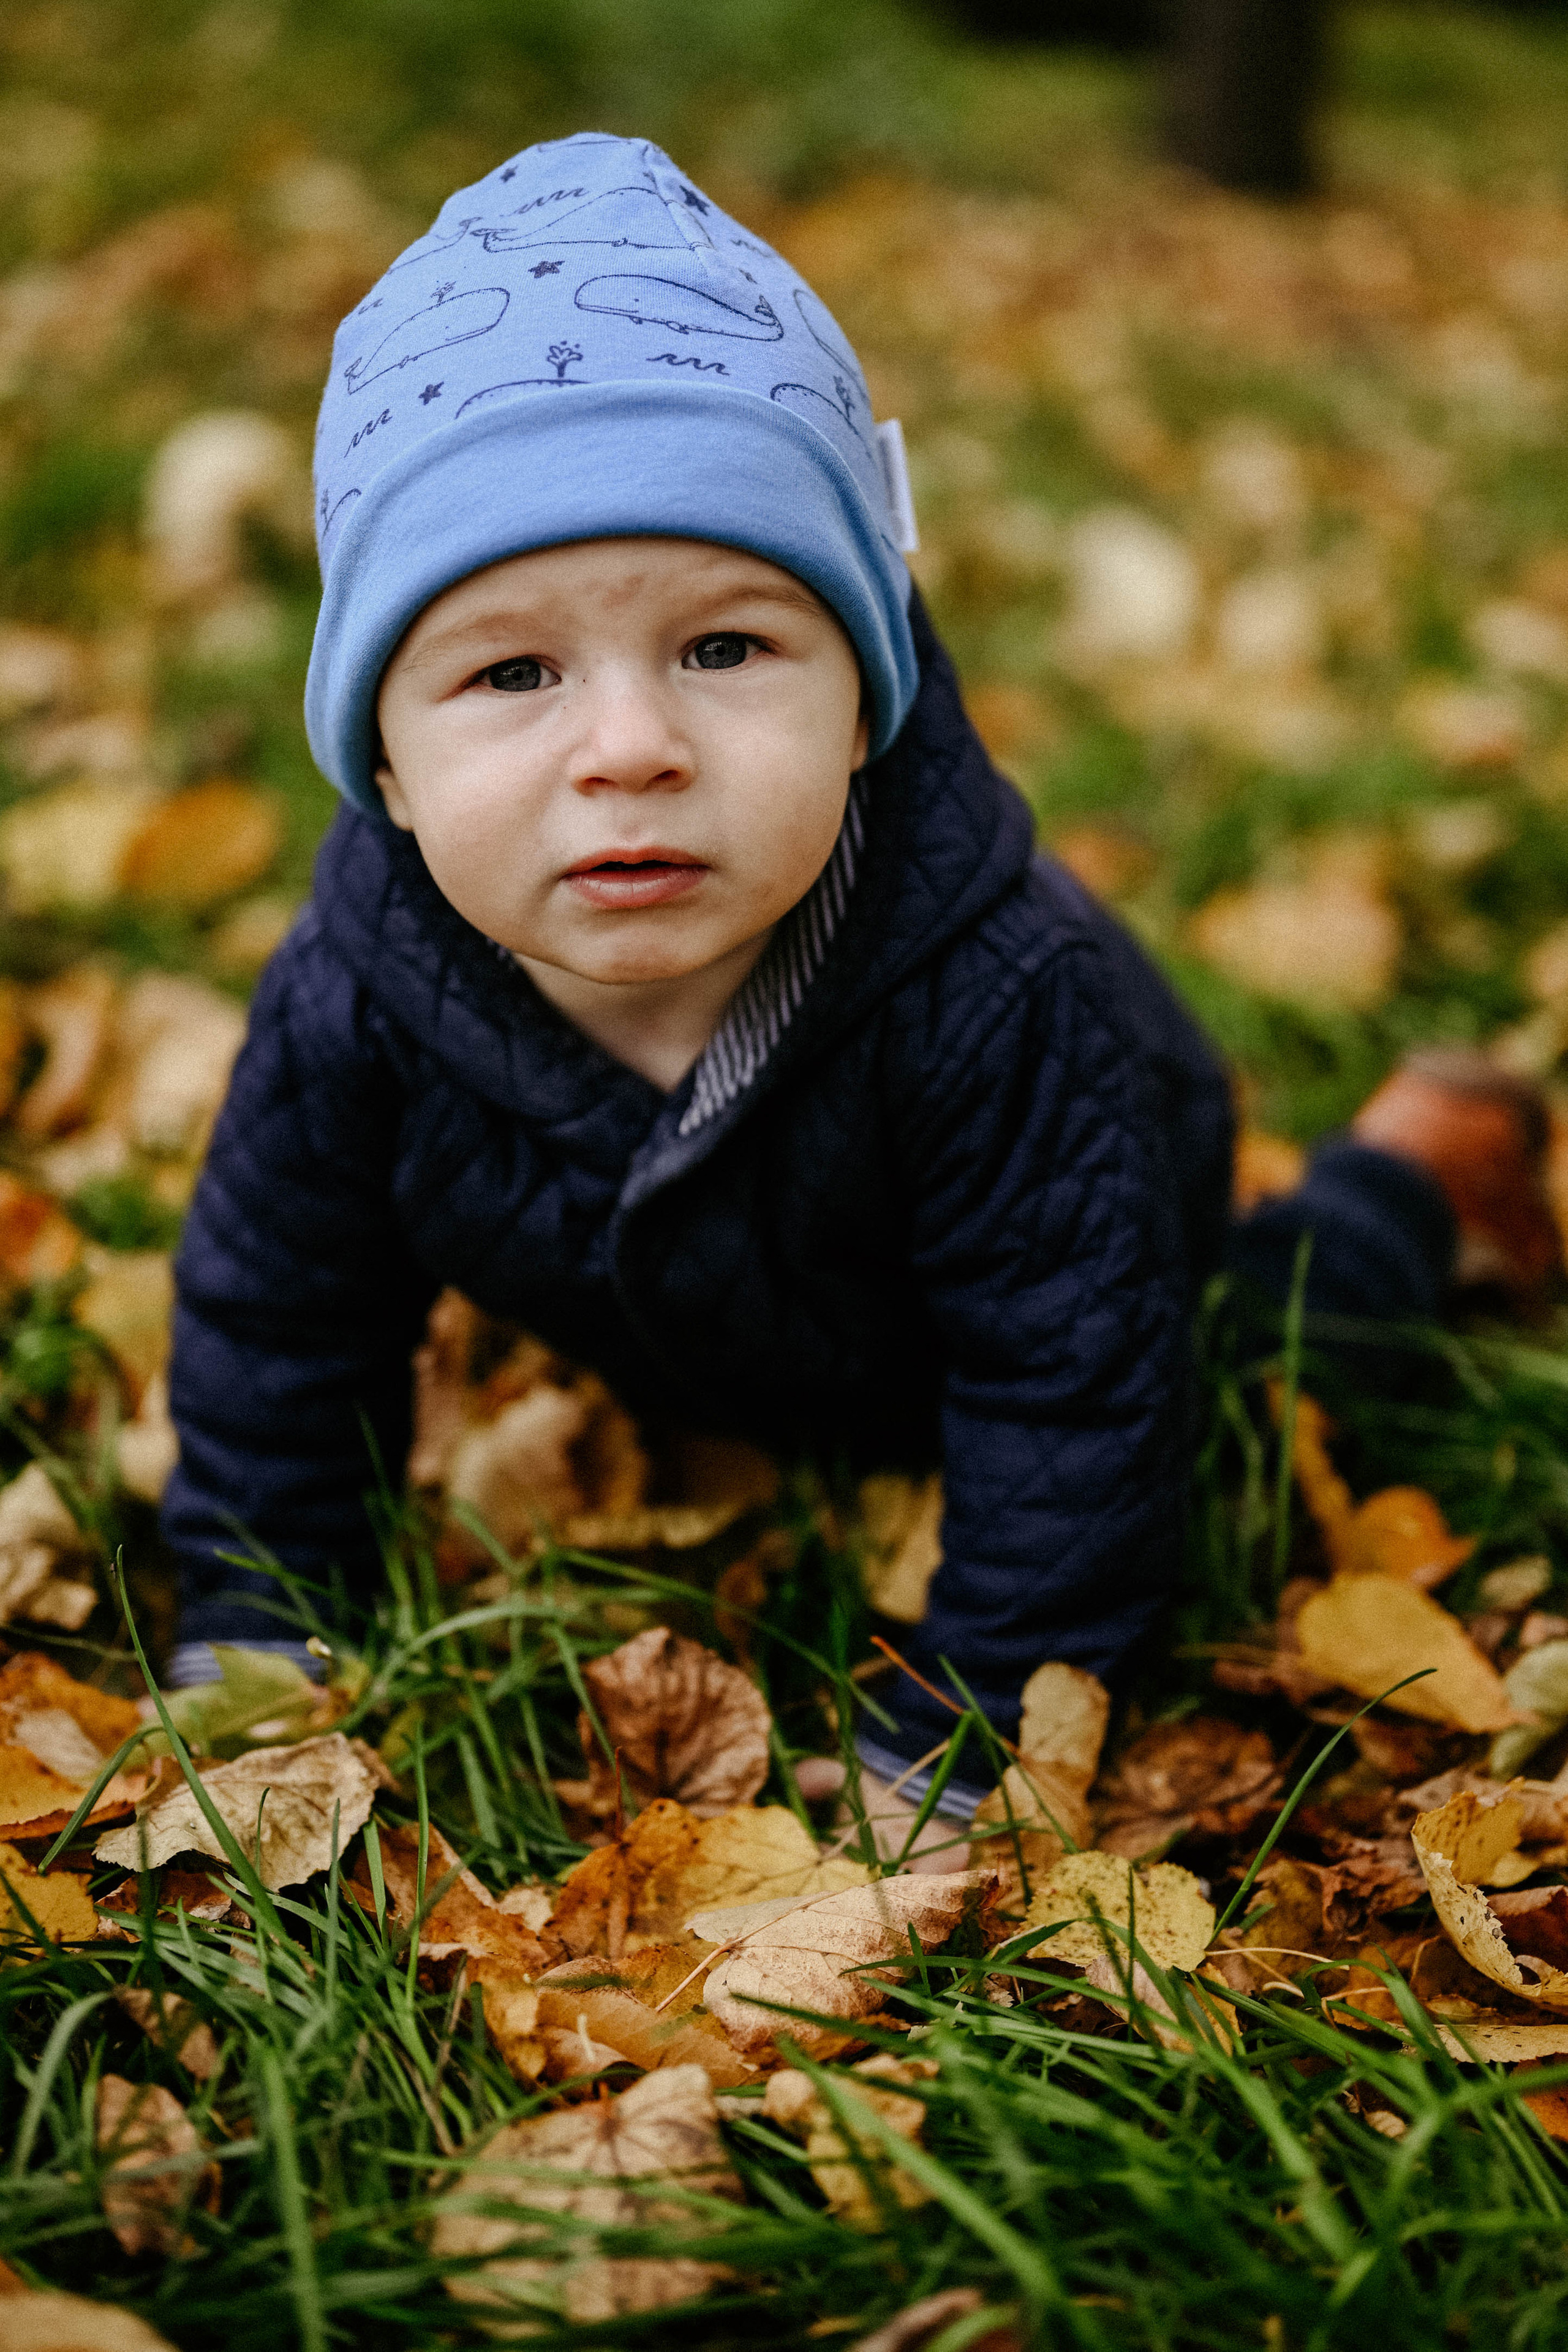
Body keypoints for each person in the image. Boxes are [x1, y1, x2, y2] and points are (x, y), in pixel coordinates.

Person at [160, 134, 1561, 1864]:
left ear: (863, 692)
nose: (630, 747)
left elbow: (1071, 1394)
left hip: (1075, 1278)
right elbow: (277, 1318)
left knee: (1267, 1366)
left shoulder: (1001, 998)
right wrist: (262, 1624)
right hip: (716, 1316)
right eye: (513, 671)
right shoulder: (354, 994)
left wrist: (982, 1718)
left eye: (726, 648)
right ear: (382, 749)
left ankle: (1418, 1172)